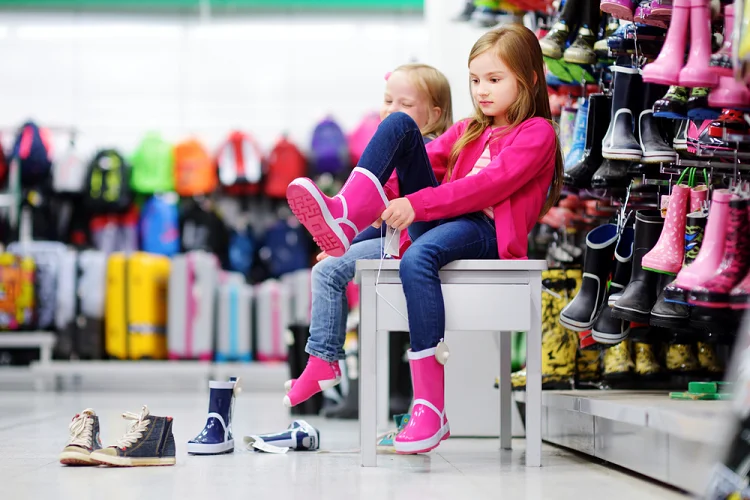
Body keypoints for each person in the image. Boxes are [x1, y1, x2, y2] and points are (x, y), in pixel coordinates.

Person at [286, 24, 563, 455]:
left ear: (527, 79)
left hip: (484, 232)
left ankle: (430, 409)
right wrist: (362, 228)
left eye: (494, 79)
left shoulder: (537, 134)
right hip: (444, 222)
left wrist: (419, 205)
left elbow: (487, 187)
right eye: (475, 80)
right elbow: (400, 176)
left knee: (419, 259)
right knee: (398, 125)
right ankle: (344, 216)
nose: (482, 91)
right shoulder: (471, 128)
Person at [283, 63, 453, 400]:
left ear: (434, 114)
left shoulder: (433, 148)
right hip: (390, 239)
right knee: (326, 271)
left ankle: (341, 217)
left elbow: (400, 205)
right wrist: (345, 244)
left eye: (404, 105)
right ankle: (322, 360)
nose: (391, 111)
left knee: (335, 260)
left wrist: (365, 220)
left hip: (416, 239)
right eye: (388, 101)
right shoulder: (391, 153)